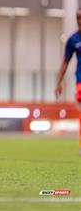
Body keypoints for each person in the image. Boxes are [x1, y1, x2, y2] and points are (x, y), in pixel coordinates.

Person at [55, 10, 81, 156]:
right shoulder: (73, 40)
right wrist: (58, 83)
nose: (80, 21)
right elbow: (65, 62)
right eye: (78, 18)